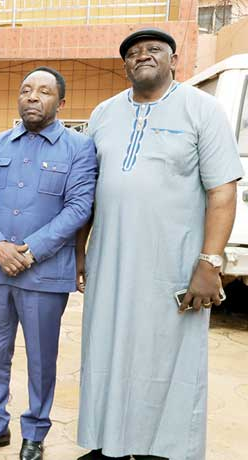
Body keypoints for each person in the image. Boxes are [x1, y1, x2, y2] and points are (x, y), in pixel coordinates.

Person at [76, 29, 243, 460]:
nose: (142, 57)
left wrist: (210, 262)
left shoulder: (201, 110)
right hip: (111, 262)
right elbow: (89, 190)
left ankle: (162, 450)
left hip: (173, 262)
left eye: (153, 50)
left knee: (168, 358)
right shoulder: (104, 113)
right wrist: (80, 252)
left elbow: (222, 191)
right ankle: (109, 444)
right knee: (106, 351)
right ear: (124, 65)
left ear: (174, 58)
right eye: (132, 53)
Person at [0, 66, 98, 460]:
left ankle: (35, 433)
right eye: (26, 90)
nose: (32, 97)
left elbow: (79, 207)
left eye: (43, 91)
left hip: (44, 273)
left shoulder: (79, 147)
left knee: (41, 358)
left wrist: (31, 250)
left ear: (61, 101)